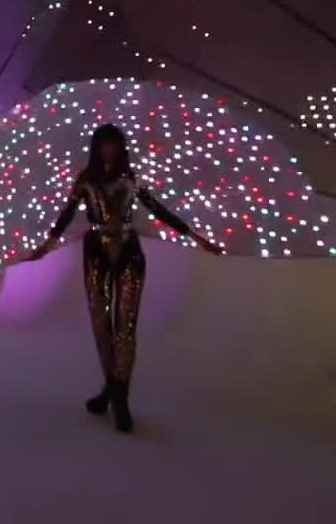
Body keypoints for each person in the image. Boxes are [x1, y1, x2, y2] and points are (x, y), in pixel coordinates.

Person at [23, 124, 221, 434]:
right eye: (104, 144)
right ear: (96, 147)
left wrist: (197, 237)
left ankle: (120, 399)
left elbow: (157, 209)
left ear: (121, 147)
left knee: (125, 327)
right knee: (102, 325)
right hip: (96, 254)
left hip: (129, 252)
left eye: (114, 144)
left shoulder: (130, 177)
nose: (109, 150)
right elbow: (67, 213)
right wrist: (46, 246)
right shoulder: (86, 178)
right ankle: (111, 391)